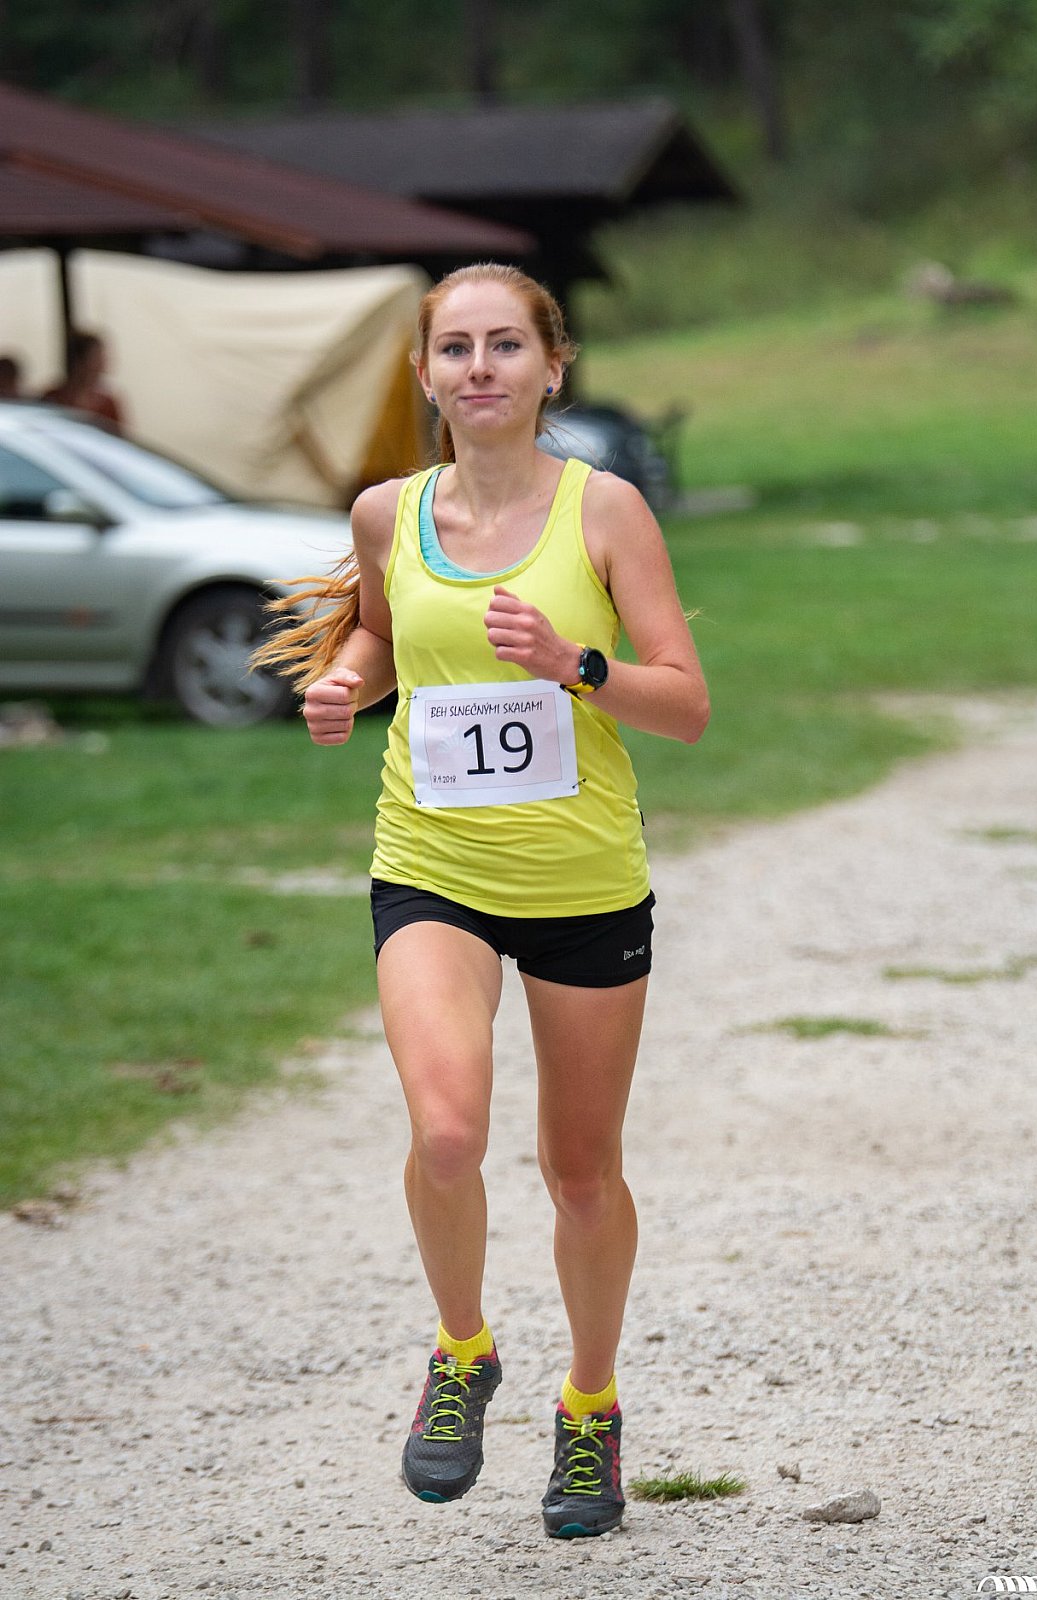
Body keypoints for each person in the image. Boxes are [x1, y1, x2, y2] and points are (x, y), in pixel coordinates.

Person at [258, 263, 709, 1539]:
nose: (479, 367)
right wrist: (344, 684)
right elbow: (379, 635)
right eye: (453, 348)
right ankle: (461, 1350)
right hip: (432, 866)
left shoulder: (604, 510)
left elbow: (685, 703)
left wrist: (575, 663)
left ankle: (589, 1405)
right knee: (447, 1132)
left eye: (505, 344)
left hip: (581, 882)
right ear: (423, 374)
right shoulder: (385, 514)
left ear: (551, 366)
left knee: (580, 1173)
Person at [42, 329, 126, 434]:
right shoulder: (52, 398)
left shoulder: (107, 404)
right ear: (78, 361)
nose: (102, 365)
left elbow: (117, 439)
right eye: (96, 358)